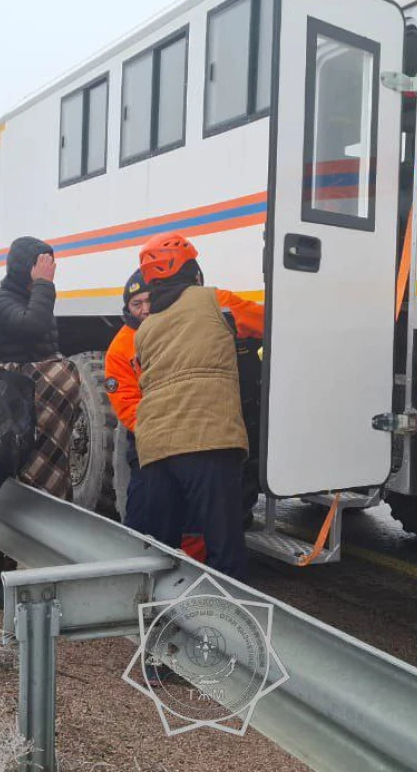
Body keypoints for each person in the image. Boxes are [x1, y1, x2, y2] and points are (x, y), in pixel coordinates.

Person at [131, 233, 264, 580]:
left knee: (163, 551)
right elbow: (267, 322)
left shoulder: (144, 329)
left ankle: (165, 623)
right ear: (192, 270)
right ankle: (228, 625)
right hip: (208, 440)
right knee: (225, 551)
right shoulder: (214, 300)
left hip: (156, 448)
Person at [0, 236, 81, 607]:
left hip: (50, 412)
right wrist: (44, 285)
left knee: (54, 482)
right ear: (28, 266)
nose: (51, 269)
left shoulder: (35, 294)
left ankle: (42, 573)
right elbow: (32, 328)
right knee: (19, 483)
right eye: (44, 263)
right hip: (22, 404)